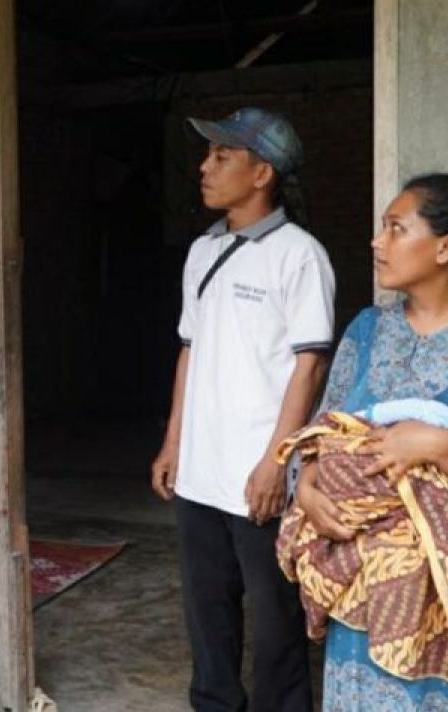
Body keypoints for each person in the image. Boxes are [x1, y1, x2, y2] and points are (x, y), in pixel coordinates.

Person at [295, 172, 448, 710]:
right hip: (368, 587)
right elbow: (322, 435)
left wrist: (436, 446)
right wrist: (308, 492)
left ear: (446, 246)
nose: (376, 242)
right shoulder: (366, 330)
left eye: (395, 228)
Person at [150, 107, 335, 711]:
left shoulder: (298, 254)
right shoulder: (203, 251)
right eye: (208, 156)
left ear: (262, 174)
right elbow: (189, 351)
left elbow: (310, 366)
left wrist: (275, 462)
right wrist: (175, 441)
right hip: (202, 469)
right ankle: (215, 703)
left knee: (276, 618)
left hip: (259, 470)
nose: (205, 168)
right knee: (207, 606)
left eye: (222, 157)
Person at [274, 383, 448, 695]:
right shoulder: (362, 337)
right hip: (366, 530)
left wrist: (359, 425)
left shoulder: (436, 415)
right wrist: (308, 488)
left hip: (422, 561)